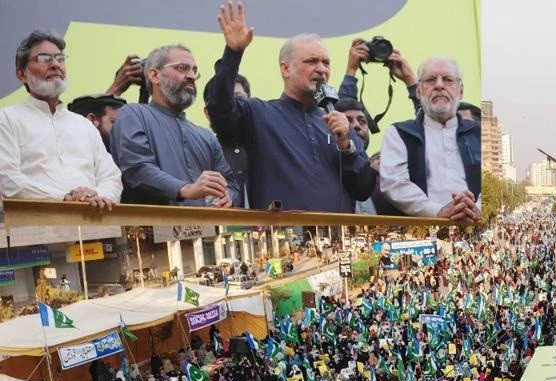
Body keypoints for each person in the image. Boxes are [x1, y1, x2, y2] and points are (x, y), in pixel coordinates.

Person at [206, 1, 374, 211]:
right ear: (285, 69)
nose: (322, 69)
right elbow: (219, 112)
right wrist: (233, 52)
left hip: (337, 232)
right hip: (281, 231)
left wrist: (347, 148)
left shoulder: (340, 125)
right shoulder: (259, 114)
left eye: (326, 62)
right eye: (311, 61)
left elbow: (364, 189)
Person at [0, 29, 122, 207]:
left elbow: (111, 177)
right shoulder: (6, 119)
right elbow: (7, 179)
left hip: (94, 218)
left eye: (60, 58)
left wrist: (97, 197)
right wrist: (64, 198)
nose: (55, 65)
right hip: (35, 220)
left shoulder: (84, 125)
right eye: (44, 59)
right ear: (22, 74)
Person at [110, 44, 237, 206]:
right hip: (151, 221)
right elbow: (137, 169)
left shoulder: (206, 137)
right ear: (155, 75)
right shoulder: (133, 114)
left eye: (194, 71)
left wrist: (227, 196)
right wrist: (185, 189)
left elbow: (230, 183)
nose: (191, 76)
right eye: (182, 68)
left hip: (203, 223)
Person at [378, 56, 481, 221]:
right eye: (430, 80)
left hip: (475, 223)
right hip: (424, 227)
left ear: (460, 91)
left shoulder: (478, 132)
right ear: (419, 91)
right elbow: (394, 183)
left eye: (448, 80)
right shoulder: (400, 133)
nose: (439, 85)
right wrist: (437, 212)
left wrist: (477, 209)